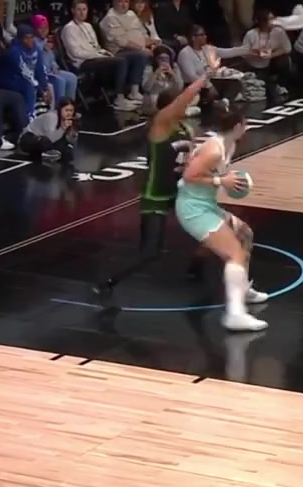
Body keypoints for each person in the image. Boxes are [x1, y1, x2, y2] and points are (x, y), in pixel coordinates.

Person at [94, 77, 208, 294]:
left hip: (177, 191)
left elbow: (189, 161)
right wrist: (206, 76)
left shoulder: (186, 128)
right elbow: (185, 97)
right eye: (180, 103)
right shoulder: (160, 126)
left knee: (209, 228)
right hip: (156, 194)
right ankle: (108, 281)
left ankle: (196, 267)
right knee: (150, 253)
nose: (186, 105)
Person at [176, 104, 269, 332]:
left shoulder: (230, 145)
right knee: (234, 253)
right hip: (192, 209)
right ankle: (235, 315)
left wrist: (229, 178)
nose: (246, 128)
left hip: (206, 204)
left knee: (245, 234)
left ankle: (242, 288)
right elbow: (188, 176)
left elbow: (214, 173)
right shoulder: (214, 150)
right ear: (237, 126)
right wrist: (221, 181)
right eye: (245, 124)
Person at [18, 96, 77, 163]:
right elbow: (49, 139)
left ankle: (48, 151)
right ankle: (44, 152)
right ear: (60, 109)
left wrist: (72, 131)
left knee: (67, 150)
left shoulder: (70, 119)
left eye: (71, 110)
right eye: (66, 110)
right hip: (29, 137)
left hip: (47, 138)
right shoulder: (52, 117)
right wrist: (63, 129)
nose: (69, 113)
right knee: (44, 142)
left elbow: (70, 140)